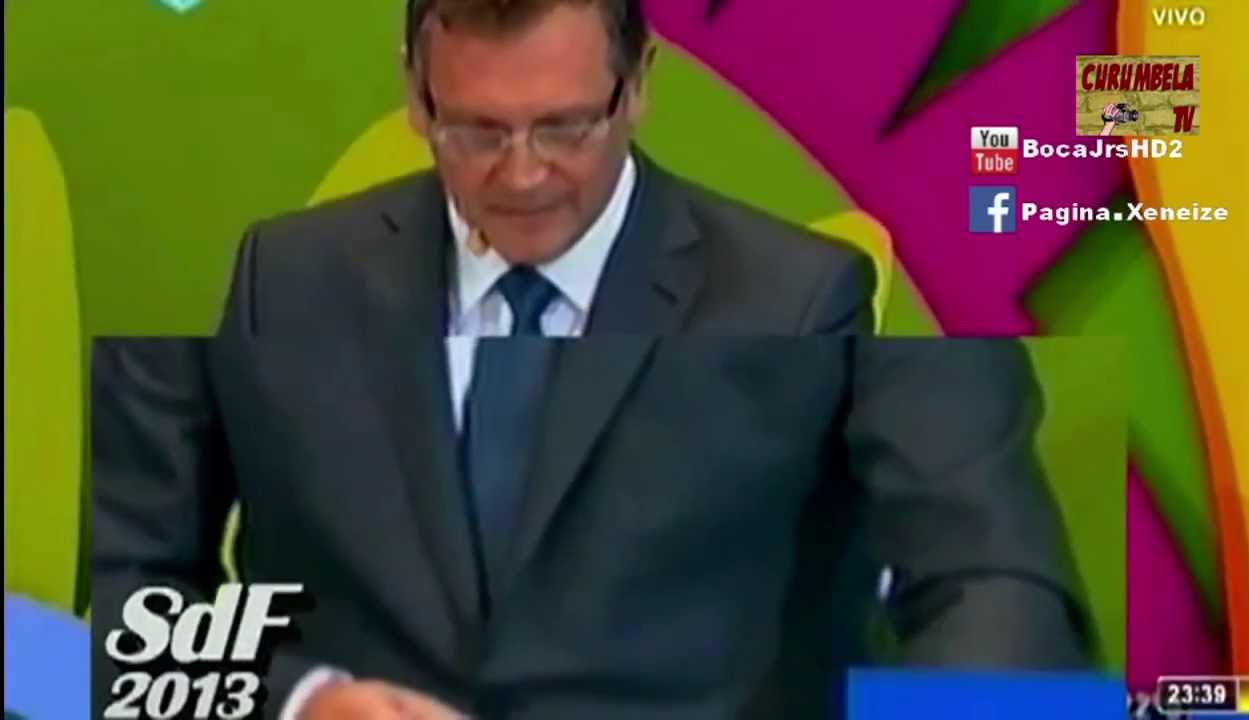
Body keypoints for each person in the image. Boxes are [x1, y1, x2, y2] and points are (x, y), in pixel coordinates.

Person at [91, 1, 1094, 718]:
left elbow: (994, 587)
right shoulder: (281, 278)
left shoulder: (808, 298)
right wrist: (300, 700)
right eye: (475, 130)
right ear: (415, 95)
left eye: (565, 127)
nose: (522, 175)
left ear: (637, 85)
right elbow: (128, 598)